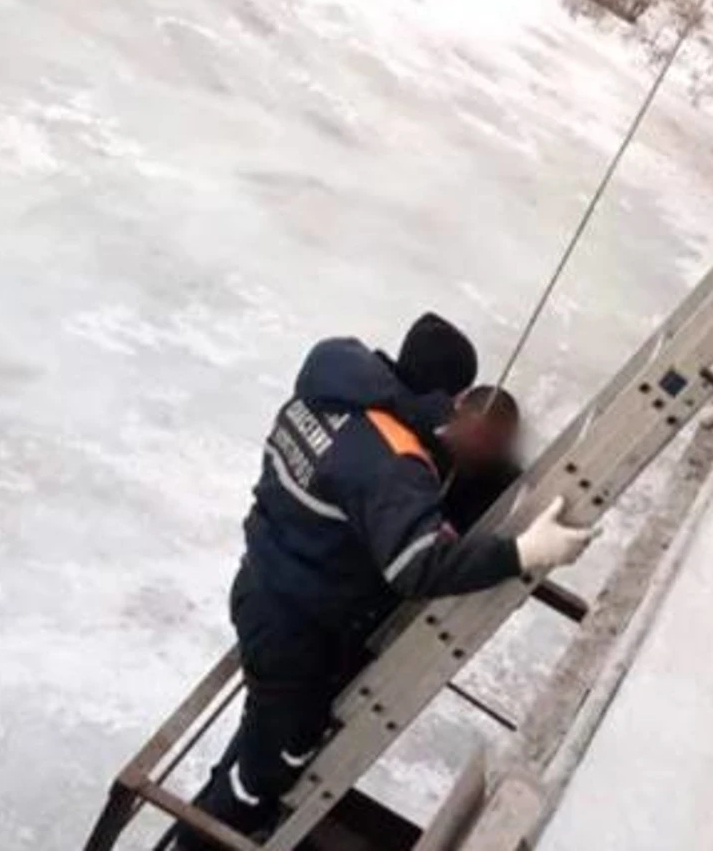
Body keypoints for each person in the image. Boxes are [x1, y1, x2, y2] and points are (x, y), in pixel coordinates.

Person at [178, 314, 593, 847]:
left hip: (270, 590)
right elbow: (416, 566)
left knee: (266, 729)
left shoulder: (331, 389)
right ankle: (207, 835)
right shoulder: (391, 459)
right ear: (451, 393)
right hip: (297, 628)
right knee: (268, 766)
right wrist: (521, 552)